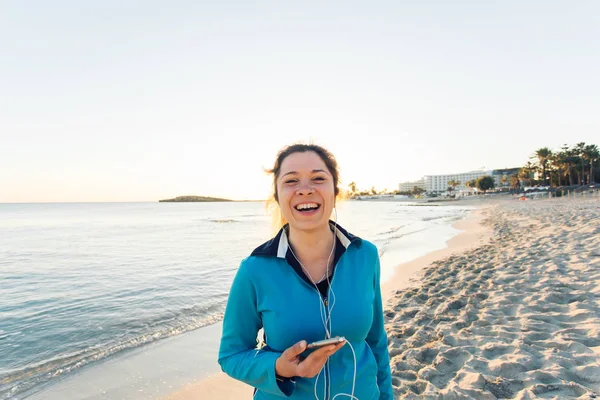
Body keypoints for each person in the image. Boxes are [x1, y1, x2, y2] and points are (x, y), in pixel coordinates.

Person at [218, 143, 393, 399]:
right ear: (277, 197)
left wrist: (386, 396)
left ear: (335, 191)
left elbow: (376, 341)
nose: (305, 189)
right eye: (291, 181)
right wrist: (278, 367)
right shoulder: (255, 269)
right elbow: (231, 354)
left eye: (318, 178)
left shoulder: (364, 255)